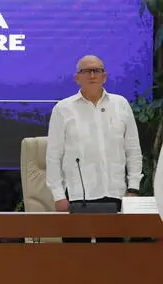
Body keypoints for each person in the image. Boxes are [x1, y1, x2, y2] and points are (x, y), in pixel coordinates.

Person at [46, 55, 142, 242]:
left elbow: (133, 150)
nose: (92, 75)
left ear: (104, 76)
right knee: (76, 261)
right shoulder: (63, 108)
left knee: (111, 259)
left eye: (97, 70)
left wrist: (133, 188)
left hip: (114, 194)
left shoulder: (120, 104)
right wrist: (58, 195)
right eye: (86, 71)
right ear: (77, 78)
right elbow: (53, 156)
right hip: (77, 196)